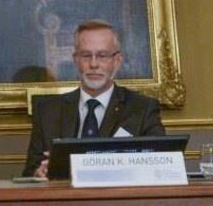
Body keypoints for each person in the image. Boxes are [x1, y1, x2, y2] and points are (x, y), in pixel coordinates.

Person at [22, 19, 165, 178]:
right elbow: (29, 172)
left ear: (117, 61)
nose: (93, 64)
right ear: (76, 60)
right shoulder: (48, 111)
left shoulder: (142, 109)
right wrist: (39, 173)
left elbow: (161, 166)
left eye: (102, 56)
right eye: (86, 55)